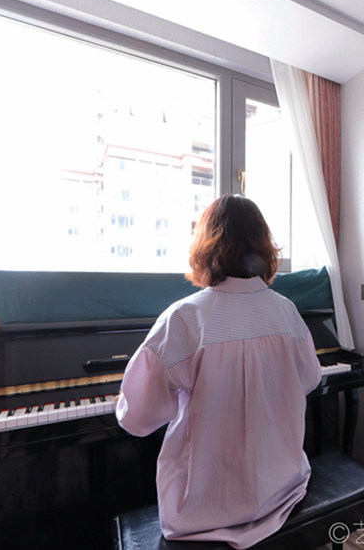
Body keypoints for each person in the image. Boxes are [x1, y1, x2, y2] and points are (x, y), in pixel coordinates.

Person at [115, 194, 322, 549]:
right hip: (283, 487)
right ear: (263, 245)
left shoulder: (185, 317)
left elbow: (136, 419)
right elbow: (310, 380)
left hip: (205, 509)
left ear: (206, 246)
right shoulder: (286, 310)